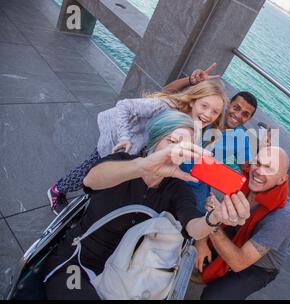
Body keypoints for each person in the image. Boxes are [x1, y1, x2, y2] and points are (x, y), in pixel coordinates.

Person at [43, 110, 250, 300]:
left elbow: (193, 228)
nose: (175, 152)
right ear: (157, 138)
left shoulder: (178, 189)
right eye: (172, 141)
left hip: (128, 279)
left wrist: (214, 218)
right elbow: (91, 180)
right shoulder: (123, 162)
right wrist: (143, 167)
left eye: (184, 148)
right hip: (76, 264)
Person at [48, 80, 228, 215]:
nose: (207, 114)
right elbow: (124, 105)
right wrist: (125, 136)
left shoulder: (198, 128)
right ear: (192, 101)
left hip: (139, 155)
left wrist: (210, 188)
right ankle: (57, 190)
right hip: (118, 142)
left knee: (112, 182)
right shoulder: (165, 107)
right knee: (88, 172)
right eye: (204, 106)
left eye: (215, 112)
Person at [193, 146, 290, 300]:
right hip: (236, 231)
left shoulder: (280, 217)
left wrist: (212, 222)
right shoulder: (243, 181)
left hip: (258, 266)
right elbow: (200, 173)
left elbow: (239, 262)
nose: (259, 171)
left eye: (268, 168)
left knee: (214, 297)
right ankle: (207, 267)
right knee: (191, 234)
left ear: (282, 179)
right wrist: (200, 242)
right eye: (258, 163)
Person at [165, 64, 259, 211]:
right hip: (170, 171)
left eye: (245, 114)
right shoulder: (208, 113)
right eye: (236, 108)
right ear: (228, 104)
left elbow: (248, 173)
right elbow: (167, 93)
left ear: (248, 119)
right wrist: (190, 80)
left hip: (196, 187)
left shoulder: (240, 139)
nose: (238, 115)